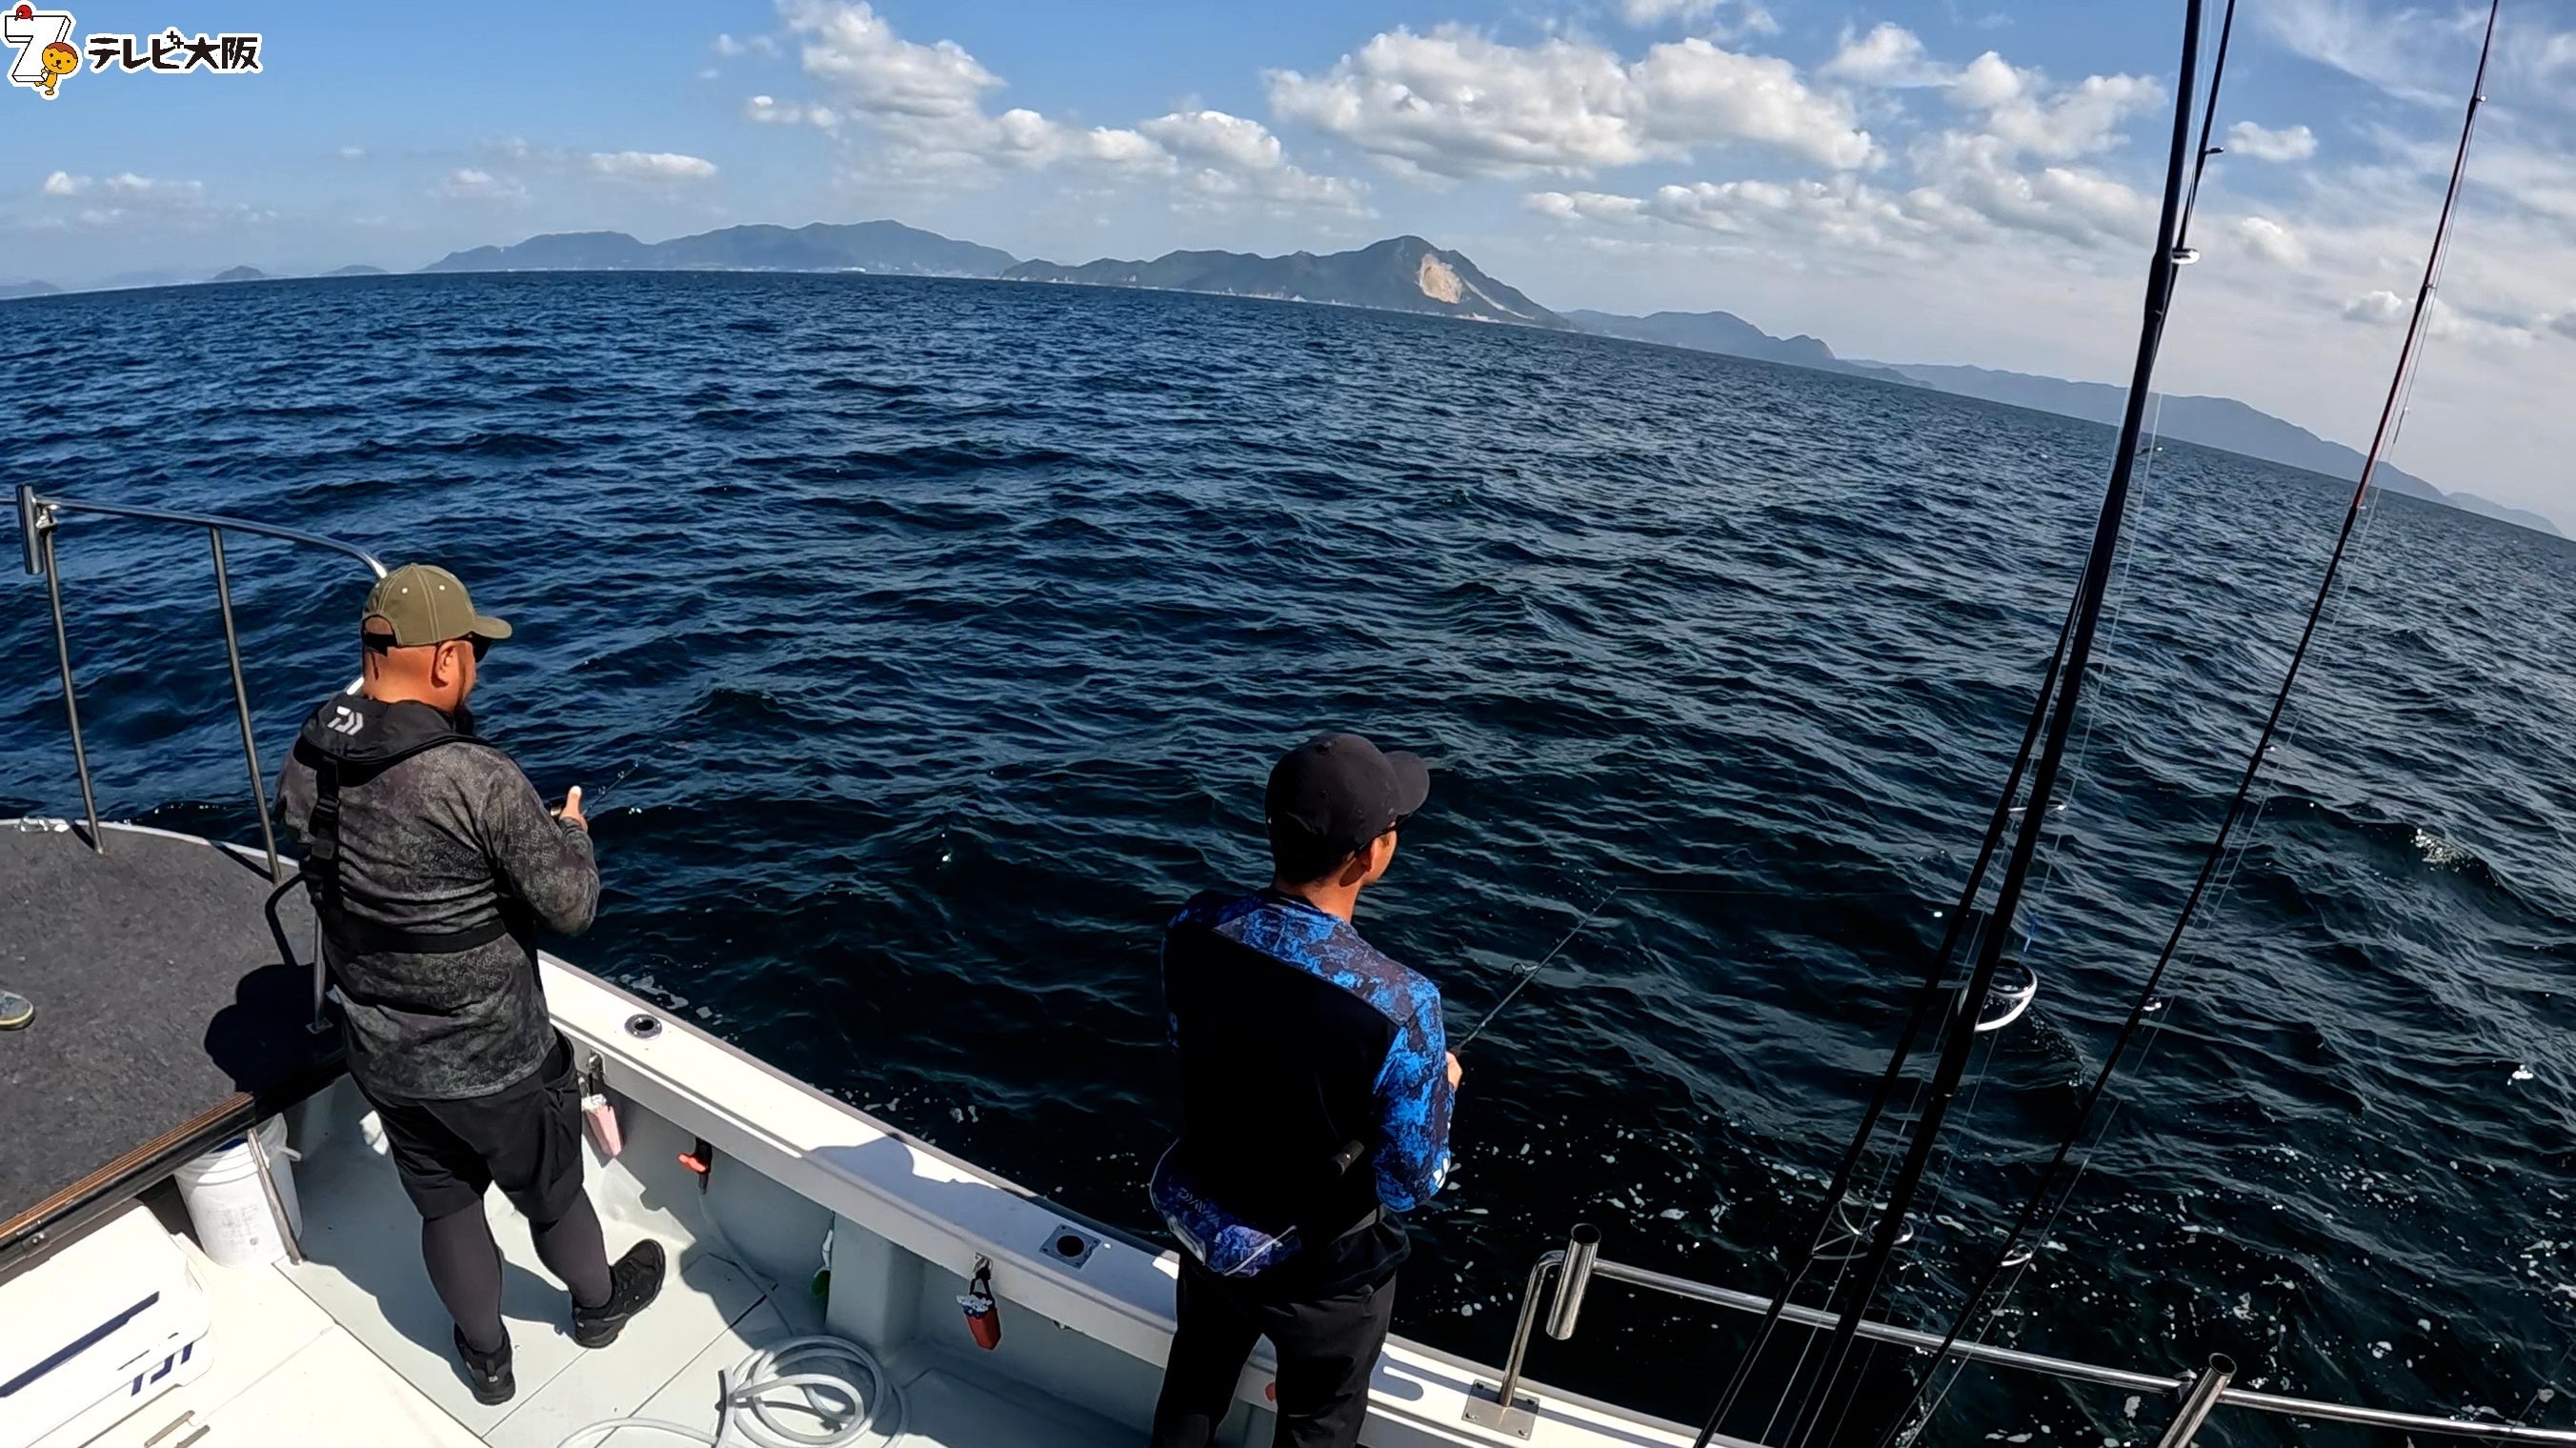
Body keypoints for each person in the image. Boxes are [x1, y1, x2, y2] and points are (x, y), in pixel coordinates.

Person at [274, 563, 662, 1406]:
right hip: (499, 1059)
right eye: (473, 653)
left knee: (445, 1207)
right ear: (447, 659)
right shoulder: (476, 777)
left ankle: (487, 1362)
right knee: (552, 1197)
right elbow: (571, 907)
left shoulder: (310, 755)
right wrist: (572, 833)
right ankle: (599, 1307)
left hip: (385, 1055)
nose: (476, 669)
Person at [1148, 732, 1460, 1448]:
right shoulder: (1405, 1005)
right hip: (1325, 1274)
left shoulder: (1194, 925)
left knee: (1195, 1377)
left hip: (1211, 1223)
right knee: (1318, 1424)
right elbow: (1411, 1183)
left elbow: (1193, 1043)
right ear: (1370, 855)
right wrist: (1439, 1086)